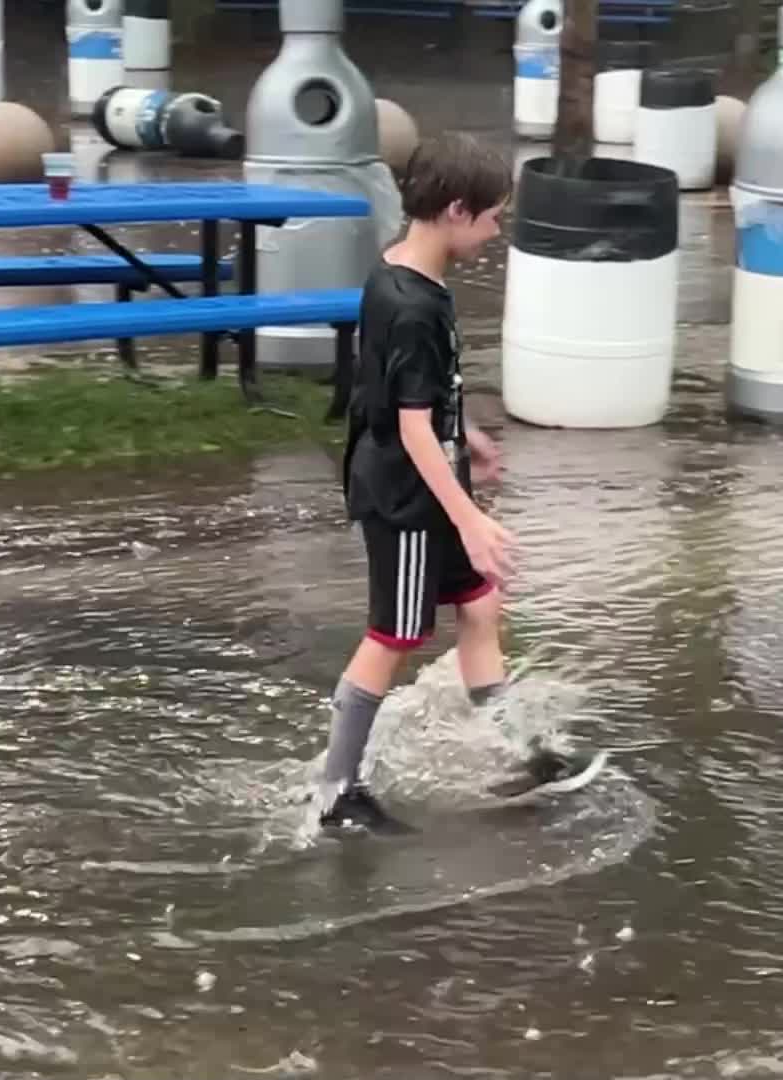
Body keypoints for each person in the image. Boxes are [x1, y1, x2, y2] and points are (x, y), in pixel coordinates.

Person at [316, 132, 598, 834]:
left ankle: (520, 756)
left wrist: (462, 430)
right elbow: (410, 429)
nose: (496, 230)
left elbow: (406, 393)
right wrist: (469, 518)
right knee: (394, 635)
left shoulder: (400, 270)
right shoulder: (413, 306)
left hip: (429, 474)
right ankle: (336, 793)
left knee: (479, 605)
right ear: (453, 210)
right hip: (408, 498)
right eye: (491, 216)